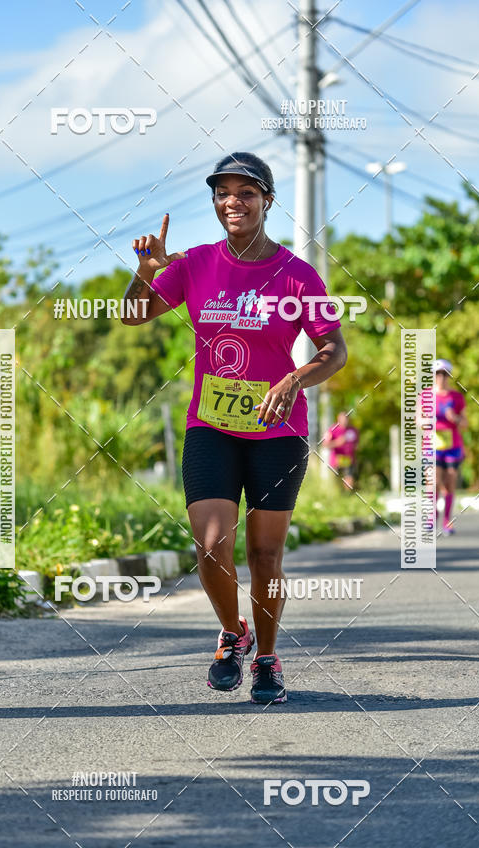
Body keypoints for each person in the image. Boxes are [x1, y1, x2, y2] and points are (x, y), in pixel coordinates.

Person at [121, 151, 347, 703]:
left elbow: (334, 351)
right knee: (211, 545)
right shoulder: (196, 263)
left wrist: (294, 380)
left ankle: (267, 657)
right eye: (223, 193)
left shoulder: (297, 274)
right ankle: (232, 634)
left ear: (267, 201)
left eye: (246, 193)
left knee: (265, 555)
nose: (233, 202)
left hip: (278, 429)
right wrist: (145, 273)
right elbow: (133, 314)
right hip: (212, 425)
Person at [434, 359, 467, 534]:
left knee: (450, 483)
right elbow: (417, 419)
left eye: (445, 374)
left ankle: (447, 520)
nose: (441, 377)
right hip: (433, 445)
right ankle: (432, 518)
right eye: (438, 373)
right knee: (433, 482)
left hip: (453, 446)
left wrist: (455, 418)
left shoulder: (457, 397)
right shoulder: (426, 396)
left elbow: (465, 423)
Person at [322, 412, 359, 489]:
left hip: (349, 459)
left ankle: (347, 496)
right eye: (342, 419)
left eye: (346, 419)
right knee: (336, 481)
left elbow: (356, 444)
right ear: (338, 419)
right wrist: (337, 443)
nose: (344, 421)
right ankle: (338, 495)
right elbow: (324, 444)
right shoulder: (332, 429)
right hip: (336, 459)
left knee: (349, 478)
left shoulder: (353, 430)